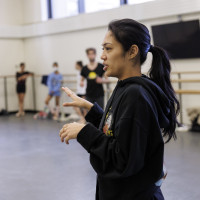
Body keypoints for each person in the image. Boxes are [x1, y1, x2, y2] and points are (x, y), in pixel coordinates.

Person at [59, 19, 180, 200]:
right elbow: (121, 130)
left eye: (108, 48)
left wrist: (84, 132)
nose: (102, 56)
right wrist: (92, 110)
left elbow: (121, 160)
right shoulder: (126, 87)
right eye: (103, 49)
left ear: (132, 51)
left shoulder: (135, 94)